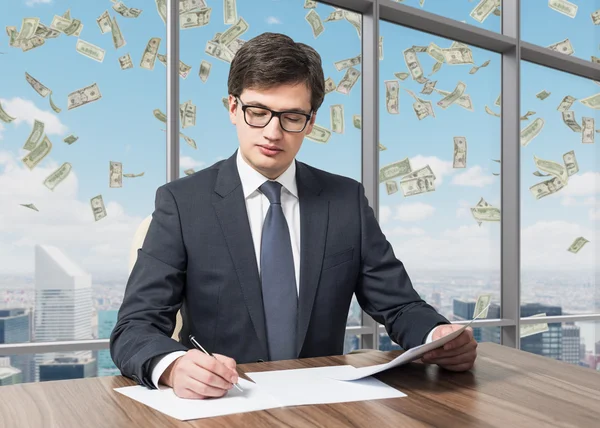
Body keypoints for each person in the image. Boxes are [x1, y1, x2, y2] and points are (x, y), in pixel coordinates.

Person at [110, 32, 477, 400]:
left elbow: (400, 305)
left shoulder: (345, 200)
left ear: (311, 120)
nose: (273, 132)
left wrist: (438, 337)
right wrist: (174, 367)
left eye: (292, 117)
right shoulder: (181, 202)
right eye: (258, 112)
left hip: (325, 406)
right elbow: (134, 327)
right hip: (222, 404)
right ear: (233, 108)